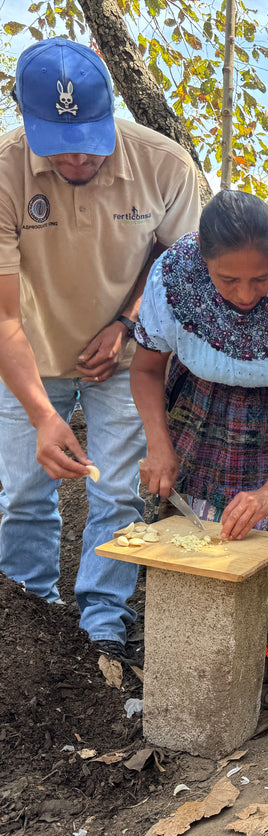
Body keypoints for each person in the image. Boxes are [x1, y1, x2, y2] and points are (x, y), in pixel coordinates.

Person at [0, 38, 200, 661]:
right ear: (28, 122)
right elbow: (3, 317)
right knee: (23, 492)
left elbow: (179, 261)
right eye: (60, 146)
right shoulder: (4, 171)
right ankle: (29, 621)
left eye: (90, 138)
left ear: (111, 111)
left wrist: (127, 323)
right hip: (32, 352)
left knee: (116, 491)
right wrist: (43, 415)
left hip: (126, 358)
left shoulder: (164, 165)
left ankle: (103, 628)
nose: (79, 157)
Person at [129, 189, 268, 708]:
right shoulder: (172, 275)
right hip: (199, 408)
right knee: (197, 535)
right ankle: (197, 657)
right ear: (203, 260)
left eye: (260, 279)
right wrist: (158, 443)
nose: (246, 294)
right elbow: (146, 369)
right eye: (228, 280)